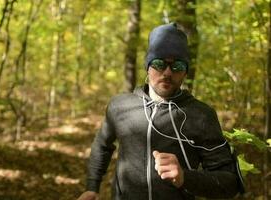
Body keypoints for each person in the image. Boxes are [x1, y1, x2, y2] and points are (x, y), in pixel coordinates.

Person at [77, 23, 244, 200]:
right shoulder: (120, 106)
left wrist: (184, 177)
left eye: (177, 66)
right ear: (147, 67)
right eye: (159, 63)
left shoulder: (201, 115)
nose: (167, 72)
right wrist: (92, 187)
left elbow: (229, 183)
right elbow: (102, 145)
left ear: (185, 72)